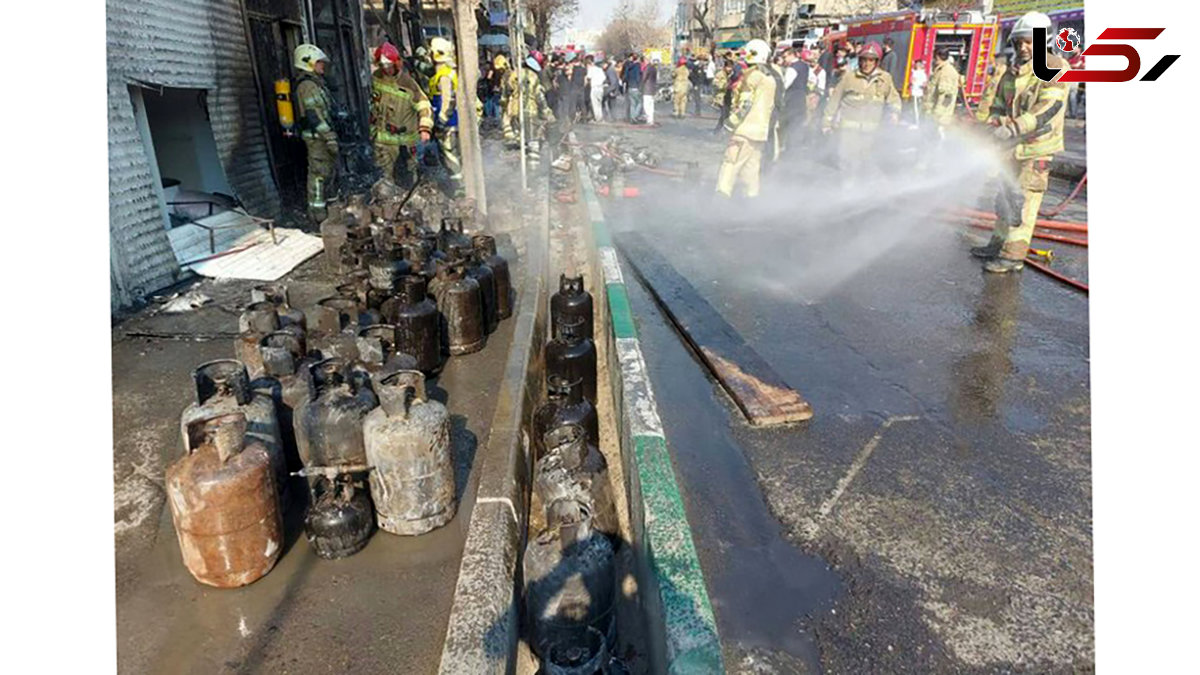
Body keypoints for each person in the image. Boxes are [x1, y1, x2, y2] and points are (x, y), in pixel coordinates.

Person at [972, 11, 1070, 273]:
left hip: (1035, 149)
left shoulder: (1054, 66)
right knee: (1005, 197)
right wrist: (993, 123)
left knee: (1023, 201)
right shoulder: (1012, 72)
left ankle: (1013, 256)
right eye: (1019, 42)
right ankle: (998, 242)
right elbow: (999, 104)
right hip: (1010, 147)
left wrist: (1013, 128)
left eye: (1029, 41)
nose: (1024, 47)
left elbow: (1047, 108)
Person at [821, 41, 900, 178]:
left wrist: (895, 112)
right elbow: (834, 100)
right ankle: (847, 190)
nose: (866, 64)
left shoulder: (885, 79)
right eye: (863, 60)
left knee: (866, 161)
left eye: (871, 60)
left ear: (877, 62)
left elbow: (893, 98)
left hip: (871, 131)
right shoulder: (849, 77)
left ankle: (864, 192)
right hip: (848, 131)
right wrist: (827, 123)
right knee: (847, 161)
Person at [716, 39, 783, 199]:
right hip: (761, 131)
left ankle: (721, 196)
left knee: (731, 163)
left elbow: (745, 105)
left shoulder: (752, 76)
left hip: (745, 129)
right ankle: (752, 197)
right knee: (751, 167)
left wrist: (729, 125)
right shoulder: (774, 76)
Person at [369, 42, 433, 190]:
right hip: (383, 138)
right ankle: (387, 204)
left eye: (390, 66)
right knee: (384, 176)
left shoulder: (408, 83)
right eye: (383, 66)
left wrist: (425, 128)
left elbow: (424, 106)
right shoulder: (375, 78)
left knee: (410, 175)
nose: (387, 70)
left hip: (406, 138)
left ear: (397, 64)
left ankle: (411, 199)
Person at [292, 44, 338, 223]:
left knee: (328, 173)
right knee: (319, 175)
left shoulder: (316, 84)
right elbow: (313, 115)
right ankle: (318, 216)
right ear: (308, 63)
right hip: (316, 139)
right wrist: (329, 137)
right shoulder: (308, 86)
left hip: (321, 137)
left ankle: (330, 212)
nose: (322, 66)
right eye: (319, 62)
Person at [502, 55, 555, 162]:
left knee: (520, 138)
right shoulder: (533, 77)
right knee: (533, 140)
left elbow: (505, 95)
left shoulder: (513, 74)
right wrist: (548, 114)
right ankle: (533, 168)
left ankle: (521, 163)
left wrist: (506, 110)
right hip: (530, 111)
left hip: (514, 111)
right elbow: (539, 98)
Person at [427, 37, 464, 185]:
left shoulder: (444, 76)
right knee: (451, 154)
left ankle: (458, 187)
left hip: (449, 123)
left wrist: (441, 121)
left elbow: (448, 100)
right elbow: (428, 70)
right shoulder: (444, 71)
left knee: (450, 153)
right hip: (450, 121)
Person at [781, 48, 810, 155]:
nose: (784, 60)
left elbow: (785, 85)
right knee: (798, 126)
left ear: (791, 55)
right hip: (801, 99)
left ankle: (790, 152)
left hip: (791, 101)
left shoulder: (792, 68)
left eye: (785, 57)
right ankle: (796, 151)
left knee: (790, 127)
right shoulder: (804, 65)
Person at [923, 48, 958, 132]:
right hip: (933, 113)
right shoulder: (939, 70)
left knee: (936, 138)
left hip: (939, 117)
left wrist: (938, 115)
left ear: (938, 57)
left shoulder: (946, 72)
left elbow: (945, 96)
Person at [713, 59, 735, 133]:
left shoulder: (731, 74)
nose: (730, 69)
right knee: (724, 114)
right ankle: (718, 130)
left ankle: (720, 130)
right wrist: (725, 85)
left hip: (728, 96)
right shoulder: (720, 74)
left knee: (726, 114)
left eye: (731, 67)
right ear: (725, 67)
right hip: (721, 96)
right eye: (728, 67)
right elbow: (715, 84)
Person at [585, 55, 606, 122]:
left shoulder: (591, 69)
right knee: (599, 104)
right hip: (600, 88)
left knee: (595, 104)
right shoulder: (600, 70)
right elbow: (604, 78)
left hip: (594, 88)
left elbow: (588, 78)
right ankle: (600, 117)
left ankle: (597, 118)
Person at [624, 54, 643, 122]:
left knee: (632, 104)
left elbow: (625, 77)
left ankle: (632, 118)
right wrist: (639, 86)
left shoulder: (628, 66)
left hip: (630, 87)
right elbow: (638, 77)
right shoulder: (637, 66)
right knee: (639, 103)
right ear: (637, 59)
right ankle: (635, 116)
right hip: (635, 87)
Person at [909, 58, 927, 126]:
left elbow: (912, 81)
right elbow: (924, 84)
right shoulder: (923, 73)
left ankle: (916, 123)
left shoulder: (915, 73)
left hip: (915, 92)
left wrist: (912, 84)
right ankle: (917, 122)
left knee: (915, 108)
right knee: (918, 108)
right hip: (919, 92)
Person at [642, 56, 659, 125]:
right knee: (651, 105)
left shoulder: (647, 68)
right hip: (653, 88)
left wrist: (641, 85)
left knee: (646, 105)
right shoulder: (654, 68)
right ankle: (651, 119)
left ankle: (648, 119)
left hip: (647, 89)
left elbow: (644, 78)